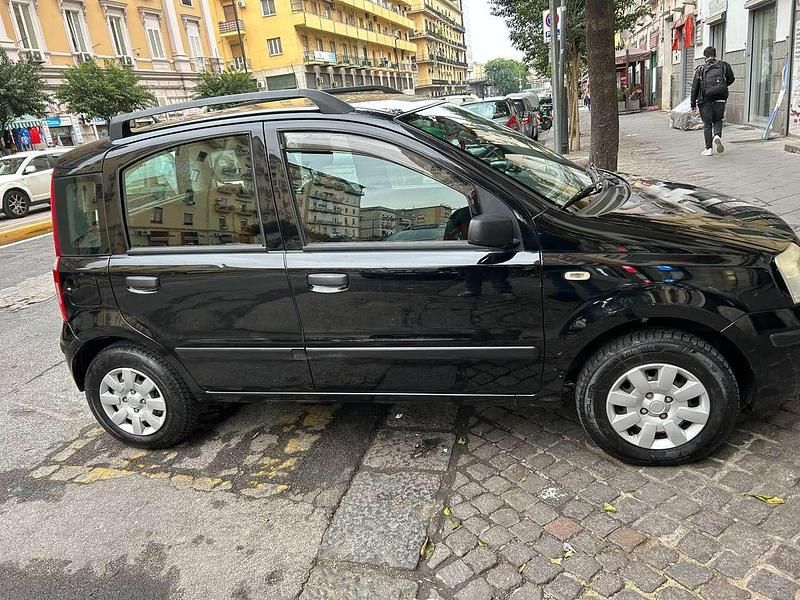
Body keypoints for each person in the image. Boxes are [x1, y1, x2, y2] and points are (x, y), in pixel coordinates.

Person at [691, 46, 735, 156]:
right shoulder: (724, 65)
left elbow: (694, 87)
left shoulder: (700, 69)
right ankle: (717, 135)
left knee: (707, 124)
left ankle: (708, 149)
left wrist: (692, 103)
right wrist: (722, 86)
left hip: (705, 100)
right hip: (720, 98)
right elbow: (731, 79)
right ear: (715, 54)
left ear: (705, 56)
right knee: (718, 120)